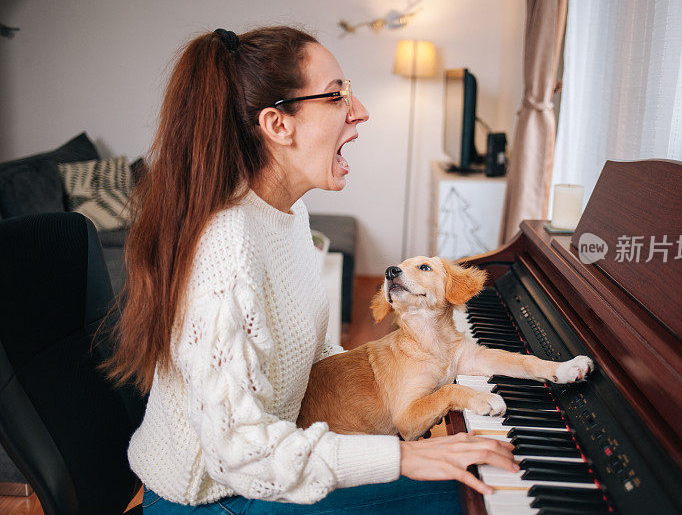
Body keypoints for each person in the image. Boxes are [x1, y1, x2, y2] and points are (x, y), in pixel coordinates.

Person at [103, 26, 518, 514]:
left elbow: (302, 351)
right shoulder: (227, 249)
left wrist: (398, 378)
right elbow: (237, 455)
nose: (359, 110)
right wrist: (400, 455)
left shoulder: (286, 212)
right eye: (337, 94)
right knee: (479, 489)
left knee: (472, 473)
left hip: (274, 460)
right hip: (217, 497)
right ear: (279, 125)